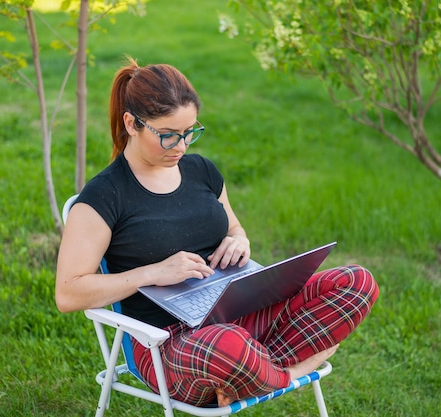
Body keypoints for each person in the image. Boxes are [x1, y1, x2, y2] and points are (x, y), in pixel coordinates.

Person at [55, 57, 379, 407]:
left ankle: (249, 373)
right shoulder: (104, 196)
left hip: (240, 311)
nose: (181, 146)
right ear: (131, 124)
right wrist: (153, 273)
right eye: (167, 135)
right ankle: (292, 370)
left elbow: (233, 225)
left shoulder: (201, 171)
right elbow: (69, 293)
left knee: (357, 282)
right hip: (169, 344)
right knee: (228, 345)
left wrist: (239, 239)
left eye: (189, 132)